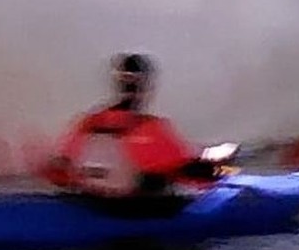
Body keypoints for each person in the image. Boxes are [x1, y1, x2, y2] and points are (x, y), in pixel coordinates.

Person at [37, 53, 212, 198]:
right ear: (145, 87)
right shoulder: (149, 128)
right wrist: (211, 170)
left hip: (86, 205)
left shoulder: (89, 123)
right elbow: (187, 172)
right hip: (132, 212)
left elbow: (60, 169)